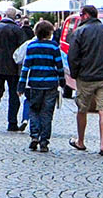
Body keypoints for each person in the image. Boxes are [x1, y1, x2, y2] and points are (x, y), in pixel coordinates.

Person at [66, 5, 103, 156]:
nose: (80, 17)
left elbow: (72, 56)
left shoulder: (79, 32)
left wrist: (75, 73)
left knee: (82, 109)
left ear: (85, 15)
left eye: (81, 15)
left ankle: (80, 141)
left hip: (85, 77)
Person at [18, 17, 72, 151]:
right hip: (50, 84)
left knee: (34, 110)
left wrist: (21, 85)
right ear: (50, 33)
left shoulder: (31, 46)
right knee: (47, 113)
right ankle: (44, 141)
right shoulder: (54, 47)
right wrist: (62, 81)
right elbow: (59, 66)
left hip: (35, 84)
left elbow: (26, 67)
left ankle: (34, 135)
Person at [0, 7, 28, 132]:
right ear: (14, 17)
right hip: (13, 68)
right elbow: (22, 49)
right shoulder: (17, 30)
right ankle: (12, 123)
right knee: (14, 94)